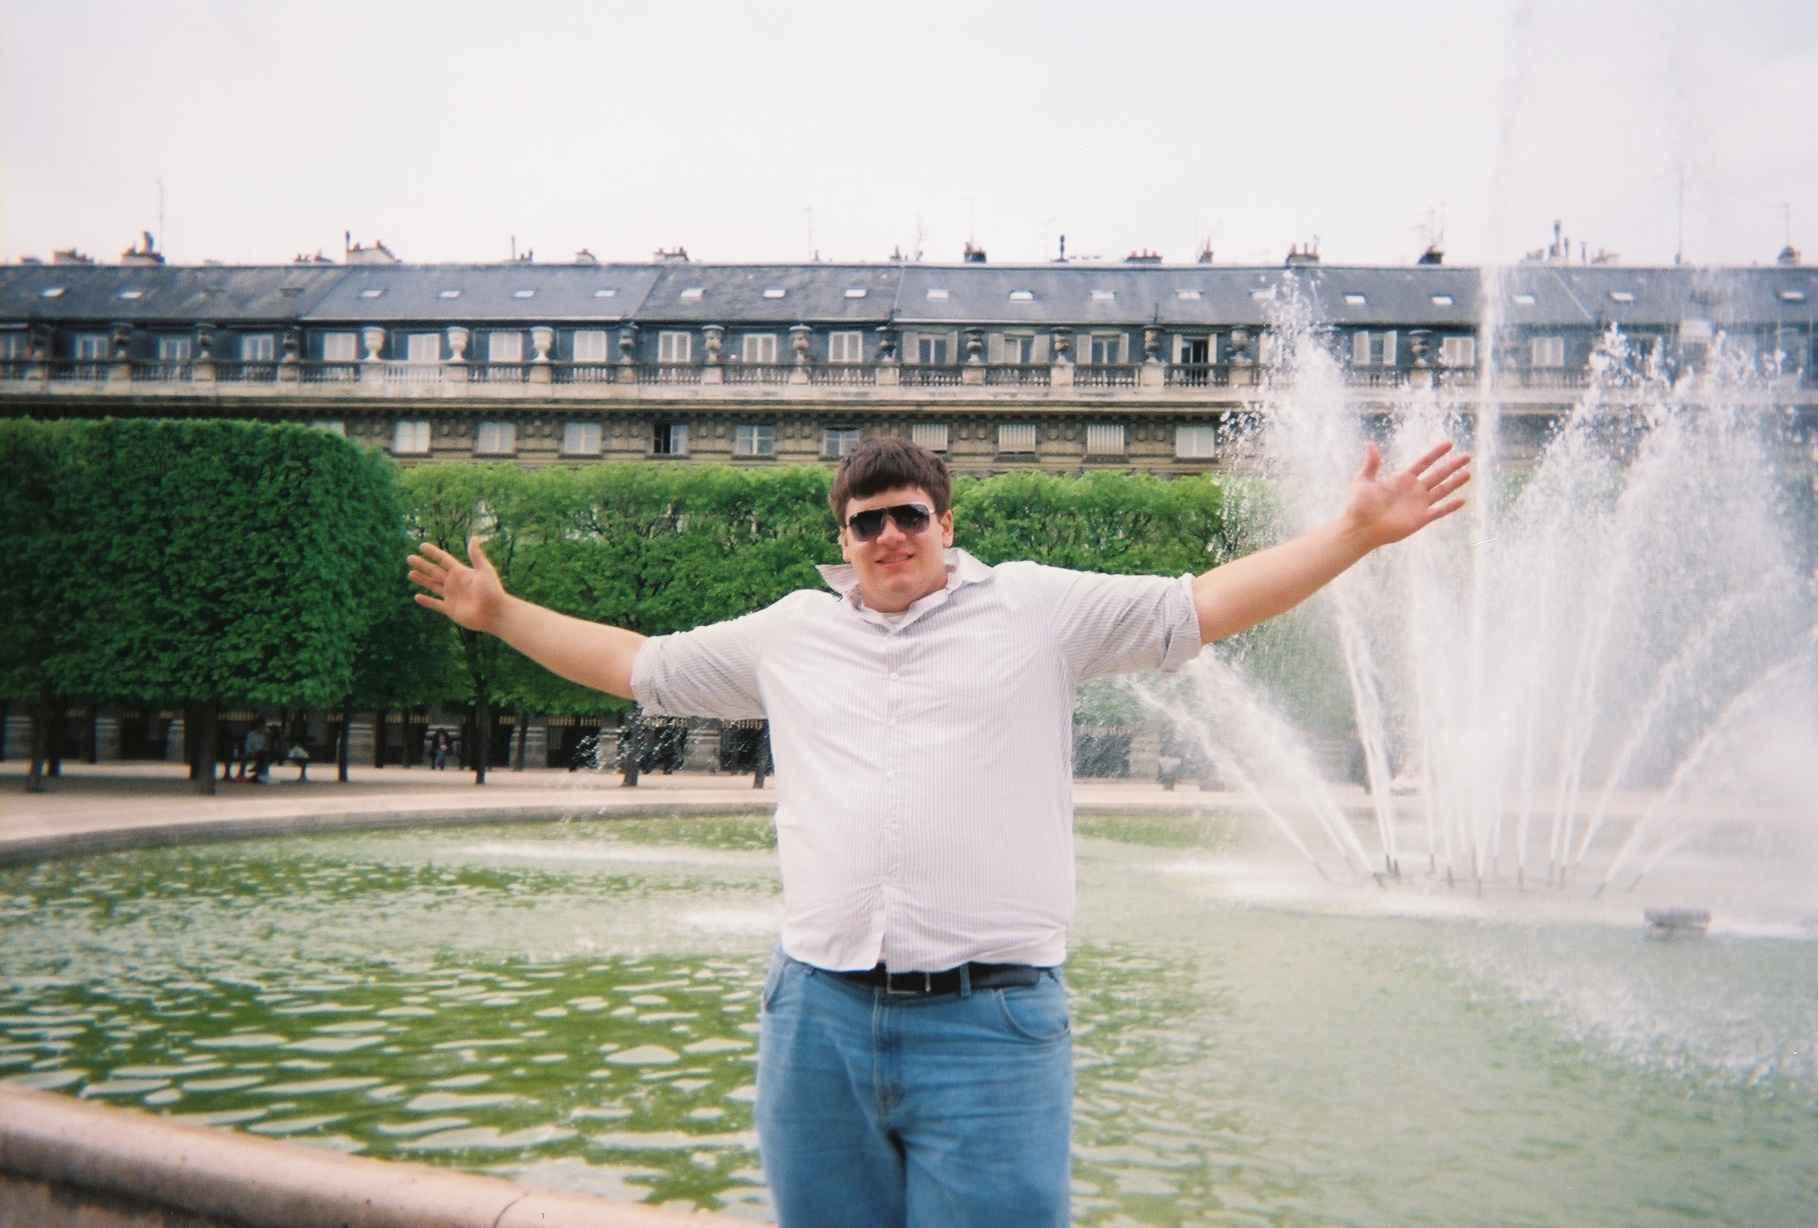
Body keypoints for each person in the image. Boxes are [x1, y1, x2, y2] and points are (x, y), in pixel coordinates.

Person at [408, 436, 1469, 1228]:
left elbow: (1201, 604)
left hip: (989, 1025)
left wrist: (1355, 533)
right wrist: (501, 616)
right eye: (865, 522)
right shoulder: (790, 633)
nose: (889, 535)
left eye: (908, 513)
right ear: (843, 541)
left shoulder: (1037, 610)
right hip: (816, 1018)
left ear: (947, 523)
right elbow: (636, 667)